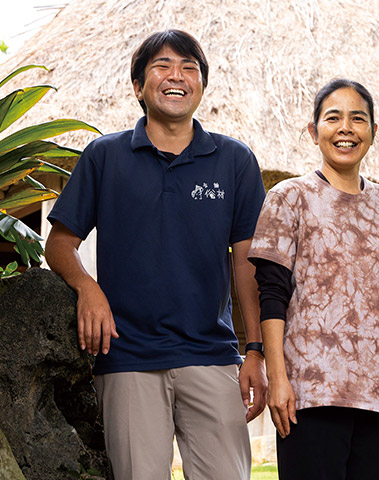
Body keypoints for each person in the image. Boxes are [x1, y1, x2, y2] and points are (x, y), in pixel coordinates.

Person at [44, 29, 267, 479]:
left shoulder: (234, 161)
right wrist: (87, 287)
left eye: (189, 68)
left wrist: (256, 351)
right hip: (127, 359)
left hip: (212, 355)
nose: (176, 76)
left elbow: (248, 265)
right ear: (138, 86)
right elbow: (60, 243)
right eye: (162, 66)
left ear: (202, 85)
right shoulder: (104, 156)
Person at [247, 79, 379, 480]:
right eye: (333, 118)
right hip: (310, 395)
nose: (346, 128)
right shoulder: (289, 197)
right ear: (314, 132)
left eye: (358, 119)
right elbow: (273, 295)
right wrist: (279, 378)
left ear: (373, 132)